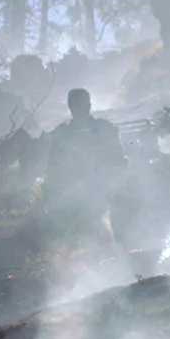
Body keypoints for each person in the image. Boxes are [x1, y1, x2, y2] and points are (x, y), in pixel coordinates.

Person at [45, 88, 128, 239]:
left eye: (81, 105)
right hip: (72, 196)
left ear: (88, 106)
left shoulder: (104, 128)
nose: (78, 109)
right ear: (70, 107)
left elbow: (119, 161)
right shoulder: (61, 134)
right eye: (75, 105)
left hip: (104, 191)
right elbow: (53, 170)